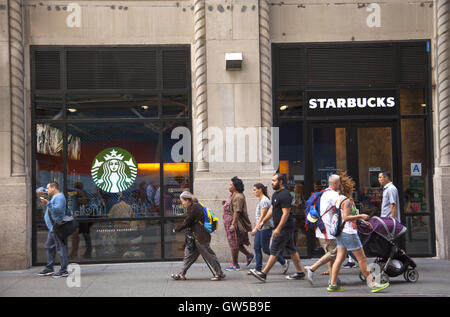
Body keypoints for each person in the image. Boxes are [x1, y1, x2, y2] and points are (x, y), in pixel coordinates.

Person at [328, 172, 390, 293]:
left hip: (341, 233)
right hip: (349, 233)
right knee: (362, 259)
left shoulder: (339, 199)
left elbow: (347, 215)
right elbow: (346, 217)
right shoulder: (346, 201)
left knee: (339, 259)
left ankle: (333, 284)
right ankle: (373, 284)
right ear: (348, 189)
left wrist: (360, 220)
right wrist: (361, 215)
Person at [249, 173, 305, 282]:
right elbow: (271, 210)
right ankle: (300, 272)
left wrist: (278, 228)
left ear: (281, 182)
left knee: (274, 249)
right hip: (282, 226)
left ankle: (263, 273)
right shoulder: (275, 194)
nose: (272, 182)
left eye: (274, 180)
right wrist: (262, 222)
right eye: (272, 180)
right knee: (291, 250)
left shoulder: (285, 195)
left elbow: (286, 213)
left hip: (285, 226)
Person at [172, 191, 225, 281]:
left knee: (209, 255)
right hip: (193, 237)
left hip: (201, 237)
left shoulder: (195, 208)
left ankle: (219, 273)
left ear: (188, 200)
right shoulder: (193, 207)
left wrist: (176, 229)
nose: (182, 203)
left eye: (183, 201)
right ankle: (182, 273)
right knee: (188, 255)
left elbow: (187, 222)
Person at [304, 174, 340, 285]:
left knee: (329, 255)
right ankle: (312, 268)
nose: (340, 185)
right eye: (339, 183)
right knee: (335, 253)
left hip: (320, 230)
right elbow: (342, 208)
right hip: (329, 231)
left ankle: (332, 279)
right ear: (335, 183)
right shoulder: (334, 195)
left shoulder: (323, 193)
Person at [250, 183, 289, 275]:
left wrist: (255, 228)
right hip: (261, 227)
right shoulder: (262, 200)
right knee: (256, 247)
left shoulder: (264, 201)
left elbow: (263, 216)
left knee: (266, 249)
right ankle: (258, 268)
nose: (253, 192)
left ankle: (283, 261)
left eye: (255, 190)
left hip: (265, 227)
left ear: (260, 190)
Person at [36, 182, 70, 278]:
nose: (46, 190)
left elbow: (58, 210)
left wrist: (48, 203)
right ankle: (49, 268)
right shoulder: (54, 195)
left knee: (60, 248)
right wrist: (39, 190)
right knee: (49, 246)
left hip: (57, 227)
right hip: (52, 228)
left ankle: (63, 270)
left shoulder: (59, 197)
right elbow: (40, 190)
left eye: (48, 188)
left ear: (54, 188)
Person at [223, 177, 254, 271]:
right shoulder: (233, 195)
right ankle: (249, 255)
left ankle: (235, 264)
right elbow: (233, 207)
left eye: (231, 184)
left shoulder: (238, 196)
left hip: (233, 224)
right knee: (237, 243)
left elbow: (237, 211)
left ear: (235, 186)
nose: (229, 186)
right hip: (229, 223)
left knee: (233, 244)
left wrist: (233, 224)